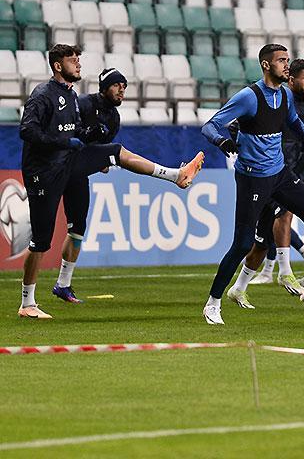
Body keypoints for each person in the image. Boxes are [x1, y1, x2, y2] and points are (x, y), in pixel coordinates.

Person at [18, 45, 204, 319]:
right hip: (44, 171)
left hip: (69, 163)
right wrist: (64, 142)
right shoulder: (43, 94)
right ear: (58, 66)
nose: (78, 64)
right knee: (41, 242)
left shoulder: (71, 96)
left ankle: (176, 175)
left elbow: (76, 132)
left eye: (79, 59)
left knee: (114, 153)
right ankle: (27, 303)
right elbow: (27, 130)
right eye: (72, 60)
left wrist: (88, 137)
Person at [200, 45, 304, 325]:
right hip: (252, 178)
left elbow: (296, 125)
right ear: (266, 65)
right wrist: (222, 141)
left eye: (287, 60)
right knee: (243, 244)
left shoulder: (285, 95)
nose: (287, 65)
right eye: (281, 61)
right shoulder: (249, 97)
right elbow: (210, 126)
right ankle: (213, 303)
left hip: (279, 173)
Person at [50, 67, 128, 304]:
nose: (121, 90)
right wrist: (86, 134)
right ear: (104, 88)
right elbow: (65, 131)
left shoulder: (114, 118)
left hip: (77, 174)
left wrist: (101, 160)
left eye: (124, 86)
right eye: (116, 85)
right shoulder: (83, 103)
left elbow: (100, 154)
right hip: (56, 168)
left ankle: (63, 284)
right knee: (41, 229)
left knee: (77, 229)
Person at [243, 59, 304, 291]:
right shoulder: (278, 99)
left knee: (276, 221)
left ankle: (273, 272)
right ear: (291, 80)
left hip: (289, 171)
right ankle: (278, 270)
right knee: (265, 227)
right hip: (270, 170)